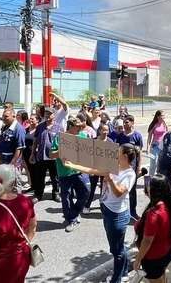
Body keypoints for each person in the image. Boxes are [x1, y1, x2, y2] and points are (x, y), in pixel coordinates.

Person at [62, 144, 138, 283]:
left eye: (118, 152)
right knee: (119, 247)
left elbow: (119, 192)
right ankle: (124, 272)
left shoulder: (129, 174)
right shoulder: (115, 166)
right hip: (107, 210)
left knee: (116, 250)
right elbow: (92, 170)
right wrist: (71, 165)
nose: (114, 154)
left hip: (117, 216)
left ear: (125, 156)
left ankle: (117, 279)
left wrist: (110, 179)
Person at [133, 174, 171, 283]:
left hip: (154, 258)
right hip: (168, 250)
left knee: (157, 279)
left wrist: (138, 259)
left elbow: (147, 241)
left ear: (153, 190)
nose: (147, 188)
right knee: (161, 276)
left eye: (149, 186)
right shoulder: (168, 203)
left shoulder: (153, 213)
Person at [51, 118, 91, 232]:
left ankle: (75, 212)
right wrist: (61, 150)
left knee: (85, 193)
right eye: (77, 126)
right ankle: (71, 219)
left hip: (80, 171)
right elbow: (51, 155)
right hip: (65, 173)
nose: (80, 128)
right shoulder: (60, 137)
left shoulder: (83, 135)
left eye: (81, 126)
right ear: (70, 126)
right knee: (67, 197)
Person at [30, 107, 63, 203]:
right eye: (46, 113)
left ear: (55, 115)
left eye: (50, 113)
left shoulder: (59, 128)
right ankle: (38, 194)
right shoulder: (40, 126)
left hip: (54, 157)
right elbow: (35, 140)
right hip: (41, 155)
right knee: (40, 176)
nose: (47, 115)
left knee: (55, 177)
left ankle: (55, 193)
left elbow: (62, 143)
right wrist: (32, 154)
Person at [116, 115, 144, 220]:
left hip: (133, 167)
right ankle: (121, 211)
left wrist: (139, 168)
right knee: (120, 188)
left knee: (132, 191)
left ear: (132, 123)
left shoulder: (137, 136)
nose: (125, 124)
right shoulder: (120, 136)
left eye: (127, 122)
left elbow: (139, 153)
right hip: (121, 167)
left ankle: (133, 212)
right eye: (124, 122)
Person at [84, 123, 113, 214]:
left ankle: (102, 205)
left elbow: (112, 157)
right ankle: (87, 205)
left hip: (105, 170)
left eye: (107, 130)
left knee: (103, 189)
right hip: (95, 169)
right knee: (91, 188)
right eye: (104, 130)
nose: (105, 132)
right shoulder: (94, 141)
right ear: (99, 131)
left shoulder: (110, 141)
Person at [146, 110, 168, 193]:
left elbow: (167, 134)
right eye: (162, 115)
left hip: (162, 146)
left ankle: (158, 181)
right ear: (158, 116)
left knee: (160, 164)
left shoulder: (164, 124)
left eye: (164, 115)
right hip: (154, 146)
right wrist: (148, 147)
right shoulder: (154, 125)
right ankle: (150, 180)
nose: (163, 116)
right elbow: (149, 136)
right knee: (153, 164)